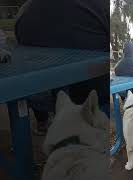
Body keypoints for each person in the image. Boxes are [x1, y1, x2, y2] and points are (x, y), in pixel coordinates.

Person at [15, 0, 109, 135]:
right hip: (89, 98)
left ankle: (43, 122)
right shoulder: (101, 6)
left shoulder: (27, 9)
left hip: (40, 97)